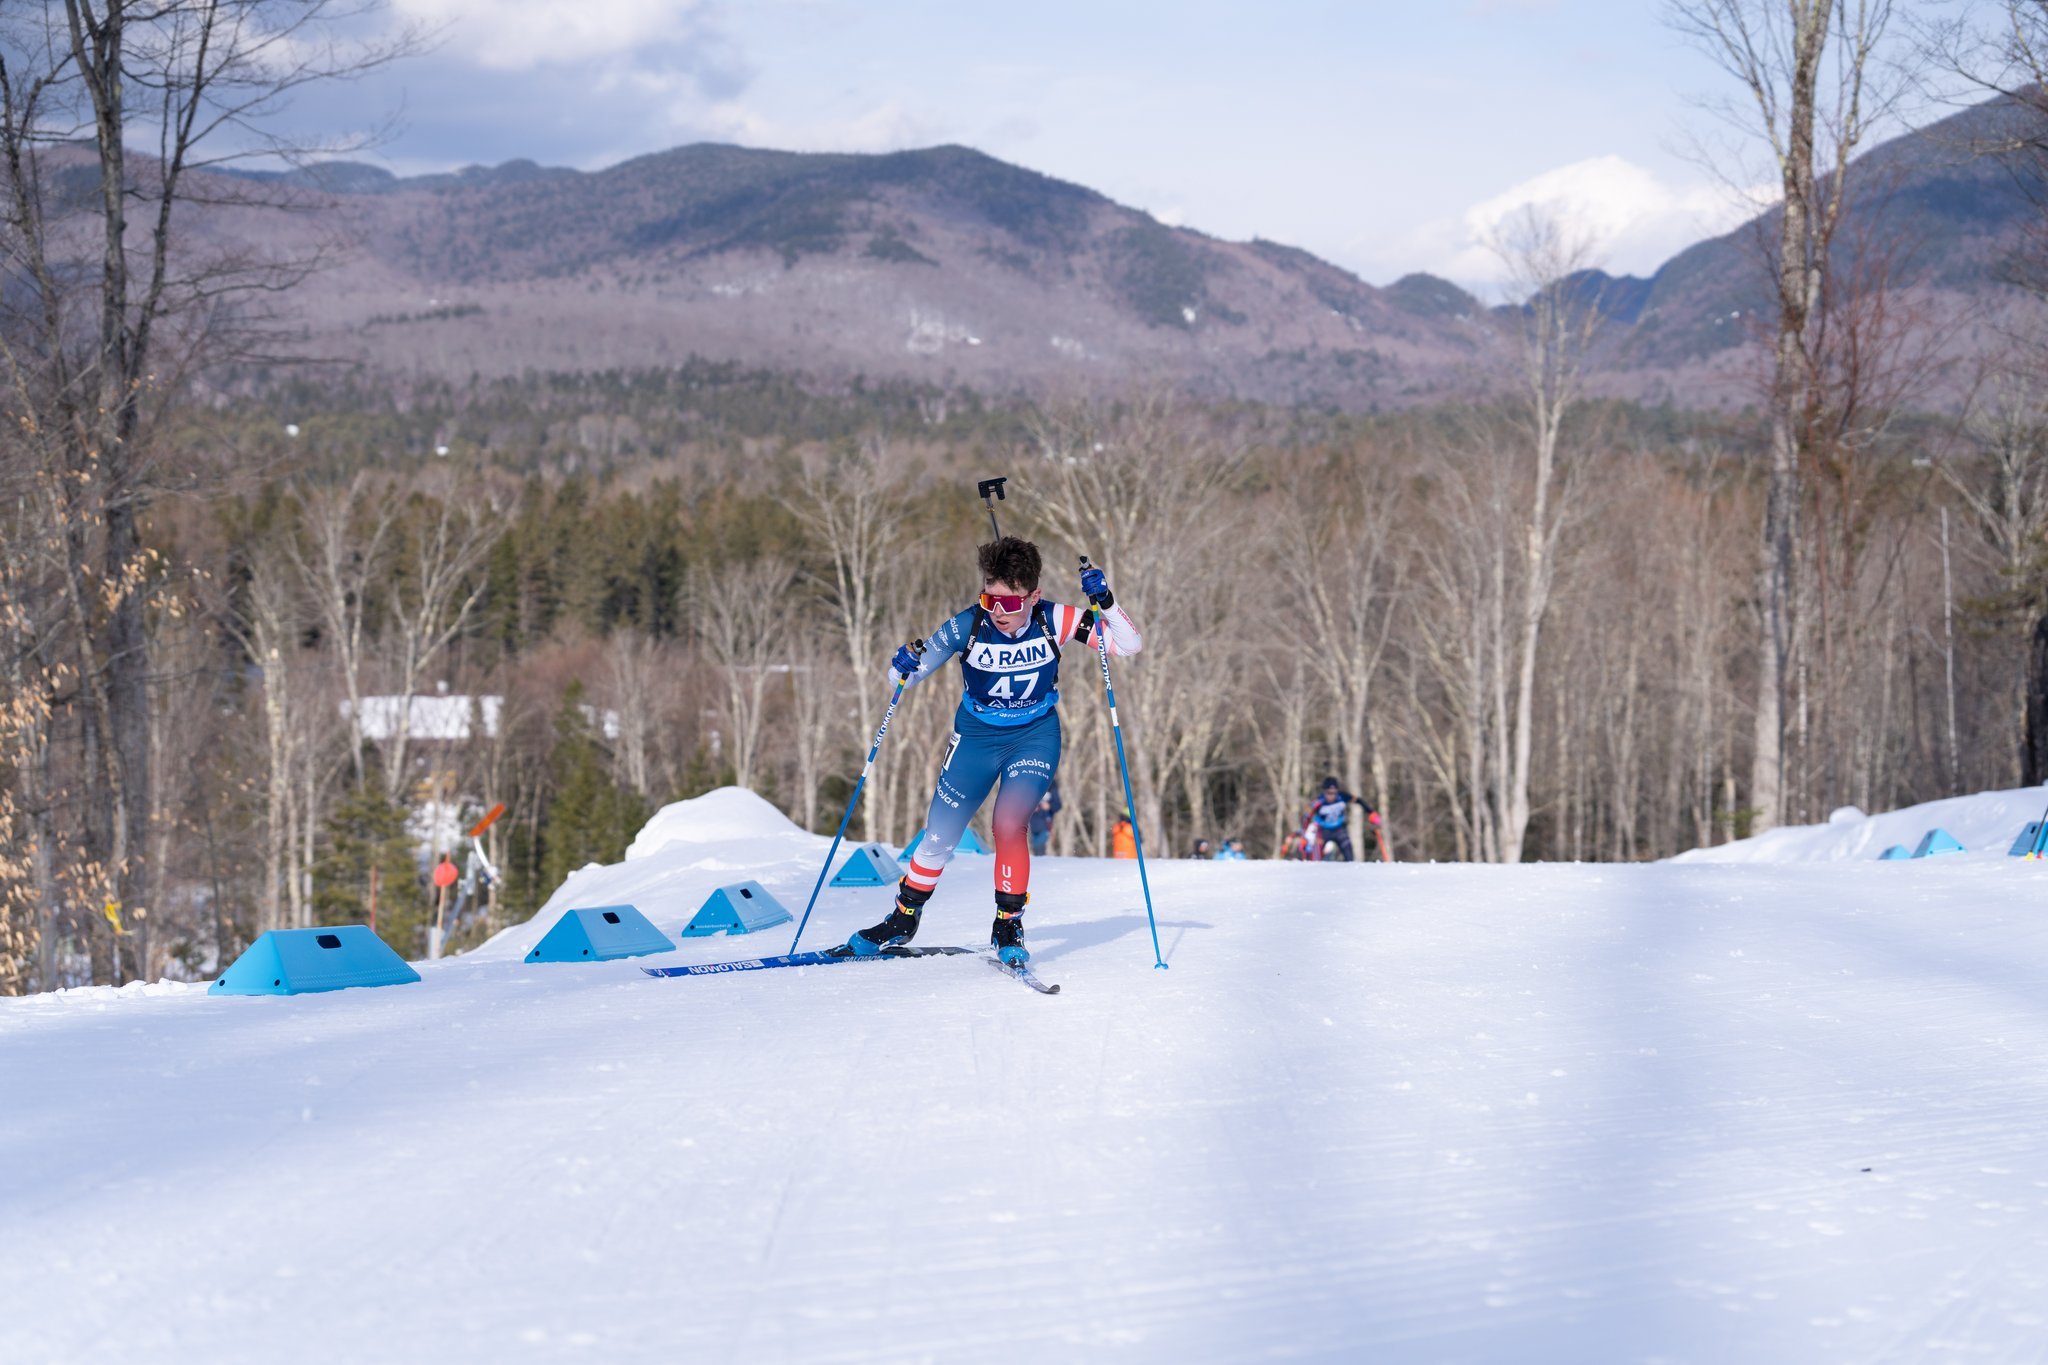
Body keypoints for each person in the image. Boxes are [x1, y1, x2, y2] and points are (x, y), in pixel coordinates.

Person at [846, 536, 1142, 966]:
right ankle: (902, 919)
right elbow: (902, 676)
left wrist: (1107, 602)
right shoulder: (969, 623)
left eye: (1009, 602)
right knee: (940, 834)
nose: (997, 611)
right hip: (976, 739)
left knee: (1008, 824)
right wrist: (903, 664)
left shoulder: (1053, 618)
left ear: (1033, 595)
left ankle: (1008, 923)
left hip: (1034, 737)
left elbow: (1128, 646)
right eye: (989, 598)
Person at [1305, 776, 1378, 863]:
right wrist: (1305, 833)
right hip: (1323, 830)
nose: (1331, 796)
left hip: (1339, 829)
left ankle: (1349, 871)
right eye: (1329, 793)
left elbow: (1359, 800)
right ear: (1324, 792)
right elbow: (1306, 816)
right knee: (1316, 856)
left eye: (1334, 793)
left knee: (1348, 852)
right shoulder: (1318, 801)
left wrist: (1371, 813)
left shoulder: (1342, 796)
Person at [1029, 777, 1062, 856]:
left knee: (1040, 848)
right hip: (1030, 825)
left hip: (1045, 823)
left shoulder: (1051, 784)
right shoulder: (1030, 782)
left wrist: (1049, 806)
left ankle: (1041, 865)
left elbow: (1058, 805)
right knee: (1034, 849)